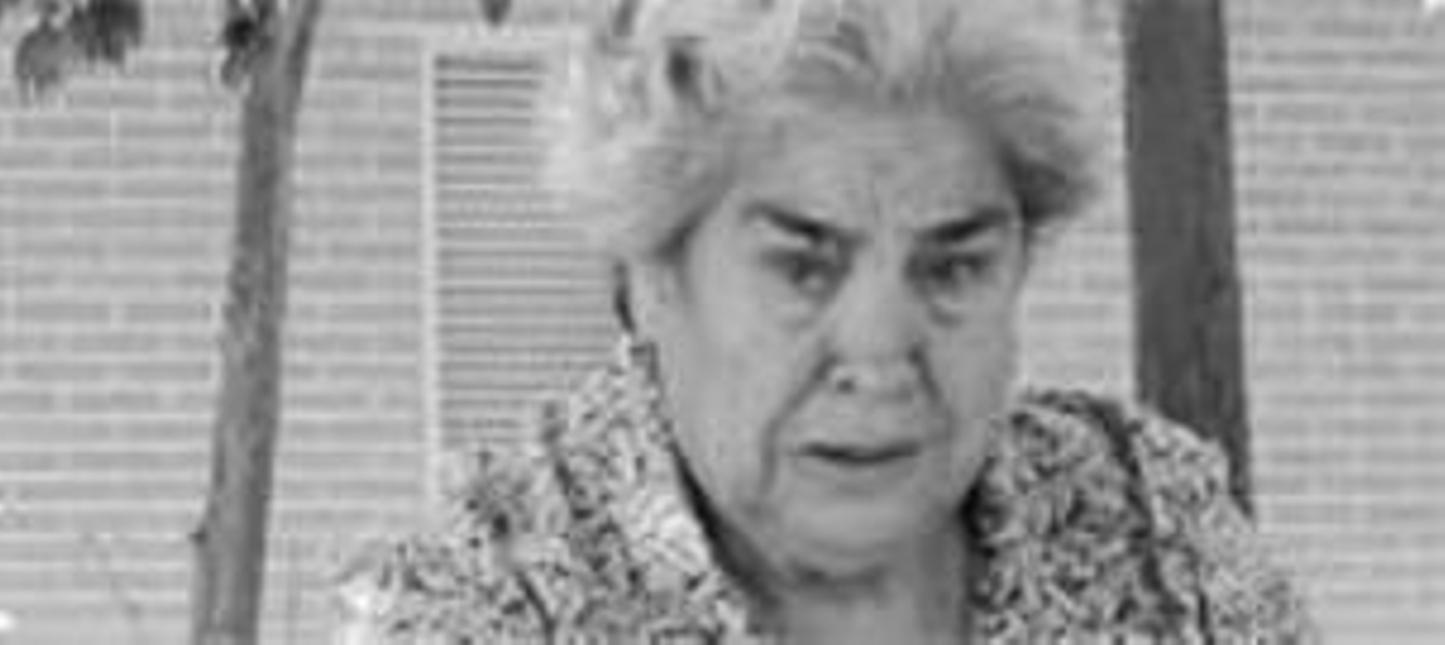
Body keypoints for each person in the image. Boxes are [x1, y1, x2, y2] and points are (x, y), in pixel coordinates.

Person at [336, 0, 1316, 642]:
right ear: (654, 266)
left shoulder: (1157, 527)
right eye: (802, 266)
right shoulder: (475, 606)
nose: (881, 355)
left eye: (955, 266)